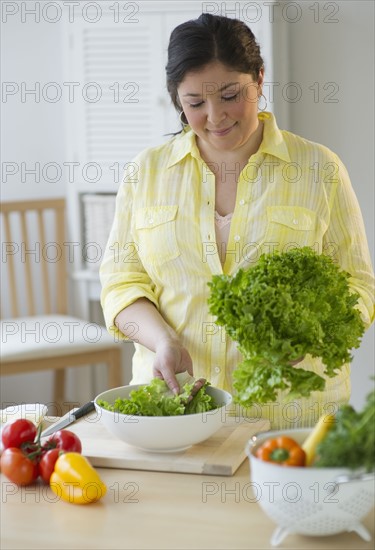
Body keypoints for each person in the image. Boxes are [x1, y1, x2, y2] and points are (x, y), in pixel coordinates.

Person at [100, 13, 374, 428]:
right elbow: (121, 283)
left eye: (230, 95)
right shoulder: (147, 172)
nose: (215, 116)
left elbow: (358, 284)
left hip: (291, 418)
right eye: (195, 103)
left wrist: (308, 334)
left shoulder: (320, 169)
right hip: (177, 411)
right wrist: (162, 340)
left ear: (259, 79)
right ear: (178, 100)